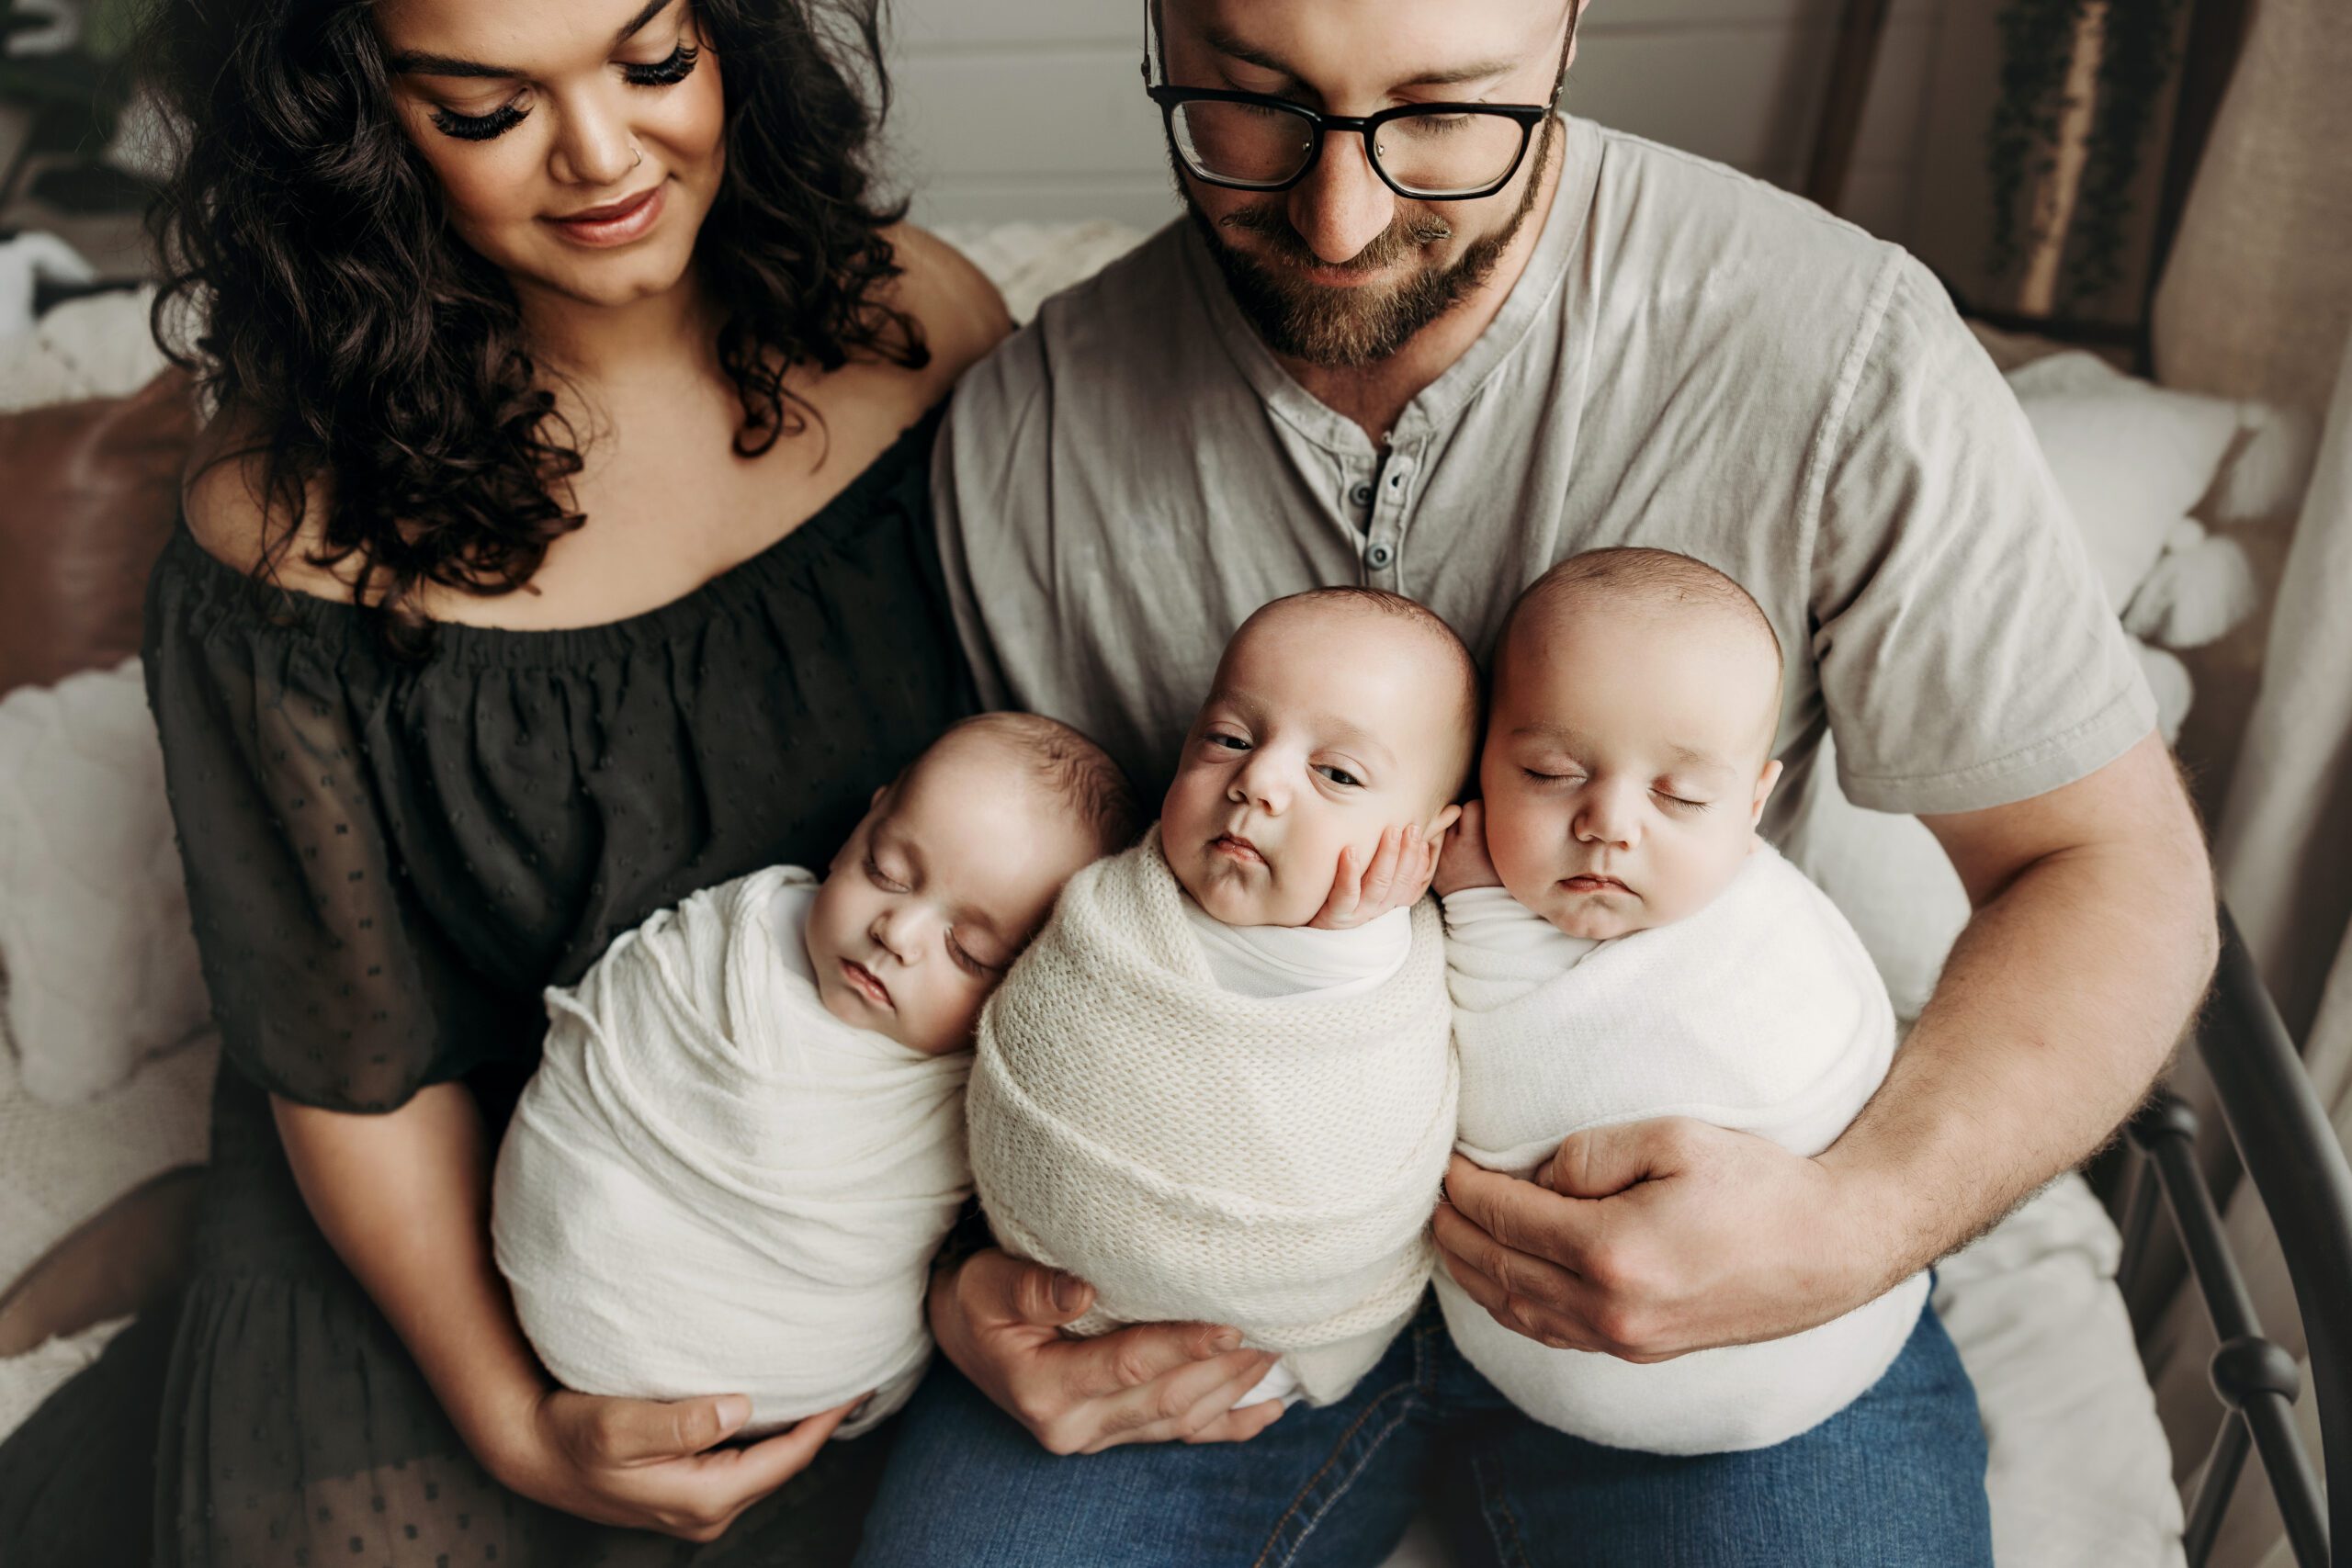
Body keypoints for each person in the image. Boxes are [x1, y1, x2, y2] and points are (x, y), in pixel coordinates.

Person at [883, 0, 2218, 1561]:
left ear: (1570, 27)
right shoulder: (1028, 429)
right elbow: (967, 931)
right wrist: (957, 1282)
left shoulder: (1835, 346)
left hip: (1722, 1260)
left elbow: (2112, 869)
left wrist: (1849, 1223)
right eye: (1253, 102)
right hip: (1212, 1277)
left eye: (1448, 114)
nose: (1342, 215)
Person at [0, 0, 1012, 1561]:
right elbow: (353, 1048)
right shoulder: (283, 531)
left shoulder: (920, 328)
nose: (604, 154)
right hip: (438, 1156)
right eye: (485, 109)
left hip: (815, 1155)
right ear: (353, 133)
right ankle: (202, 1242)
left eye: (655, 59)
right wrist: (514, 1420)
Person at [1431, 547, 1949, 1469]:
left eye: (1681, 794)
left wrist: (1475, 909)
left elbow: (1826, 1063)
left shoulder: (1758, 930)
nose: (1609, 823)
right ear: (1480, 764)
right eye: (1550, 773)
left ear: (1754, 804)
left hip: (1785, 1348)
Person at [494, 714, 1135, 1443]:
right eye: (886, 870)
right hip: (567, 1246)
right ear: (865, 821)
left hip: (790, 1367)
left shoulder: (979, 1095)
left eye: (968, 950)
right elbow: (610, 1037)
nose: (896, 930)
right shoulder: (733, 937)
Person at [967, 589, 1474, 1411]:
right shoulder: (1111, 917)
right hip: (1064, 1312)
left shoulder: (1389, 975)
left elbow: (1369, 1123)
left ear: (1427, 848)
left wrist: (1344, 941)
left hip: (1275, 1346)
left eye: (1337, 773)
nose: (1257, 780)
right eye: (1228, 738)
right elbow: (1037, 1045)